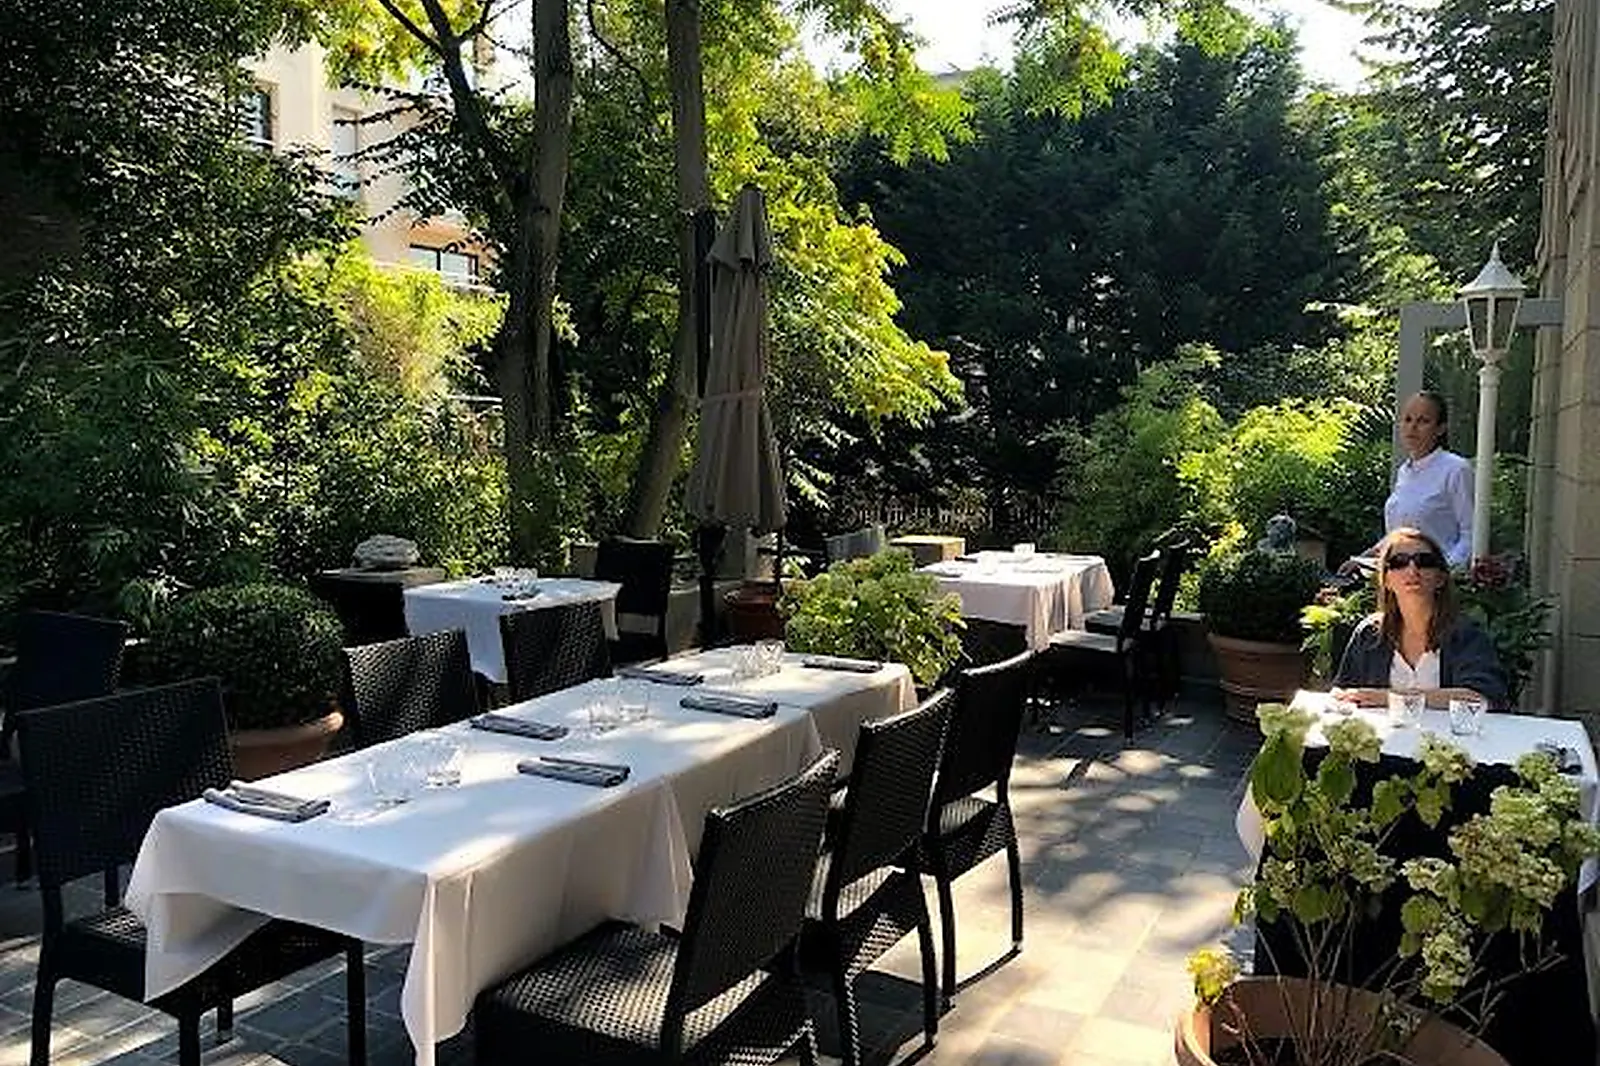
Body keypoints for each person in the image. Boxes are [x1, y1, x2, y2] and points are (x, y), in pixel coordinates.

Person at [1332, 527, 1507, 709]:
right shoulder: (1369, 634)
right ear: (1386, 580)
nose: (1412, 569)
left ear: (1440, 578)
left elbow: (1481, 697)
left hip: (1449, 737)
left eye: (1425, 561)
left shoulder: (1467, 635)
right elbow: (1343, 693)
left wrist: (1391, 698)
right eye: (1399, 562)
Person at [1341, 391, 1474, 574]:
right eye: (1408, 419)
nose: (1412, 428)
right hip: (1397, 580)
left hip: (1433, 583)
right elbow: (1397, 533)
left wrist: (1446, 571)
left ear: (1440, 428)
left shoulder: (1455, 469)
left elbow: (1471, 533)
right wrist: (1363, 559)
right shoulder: (1404, 472)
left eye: (1423, 421)